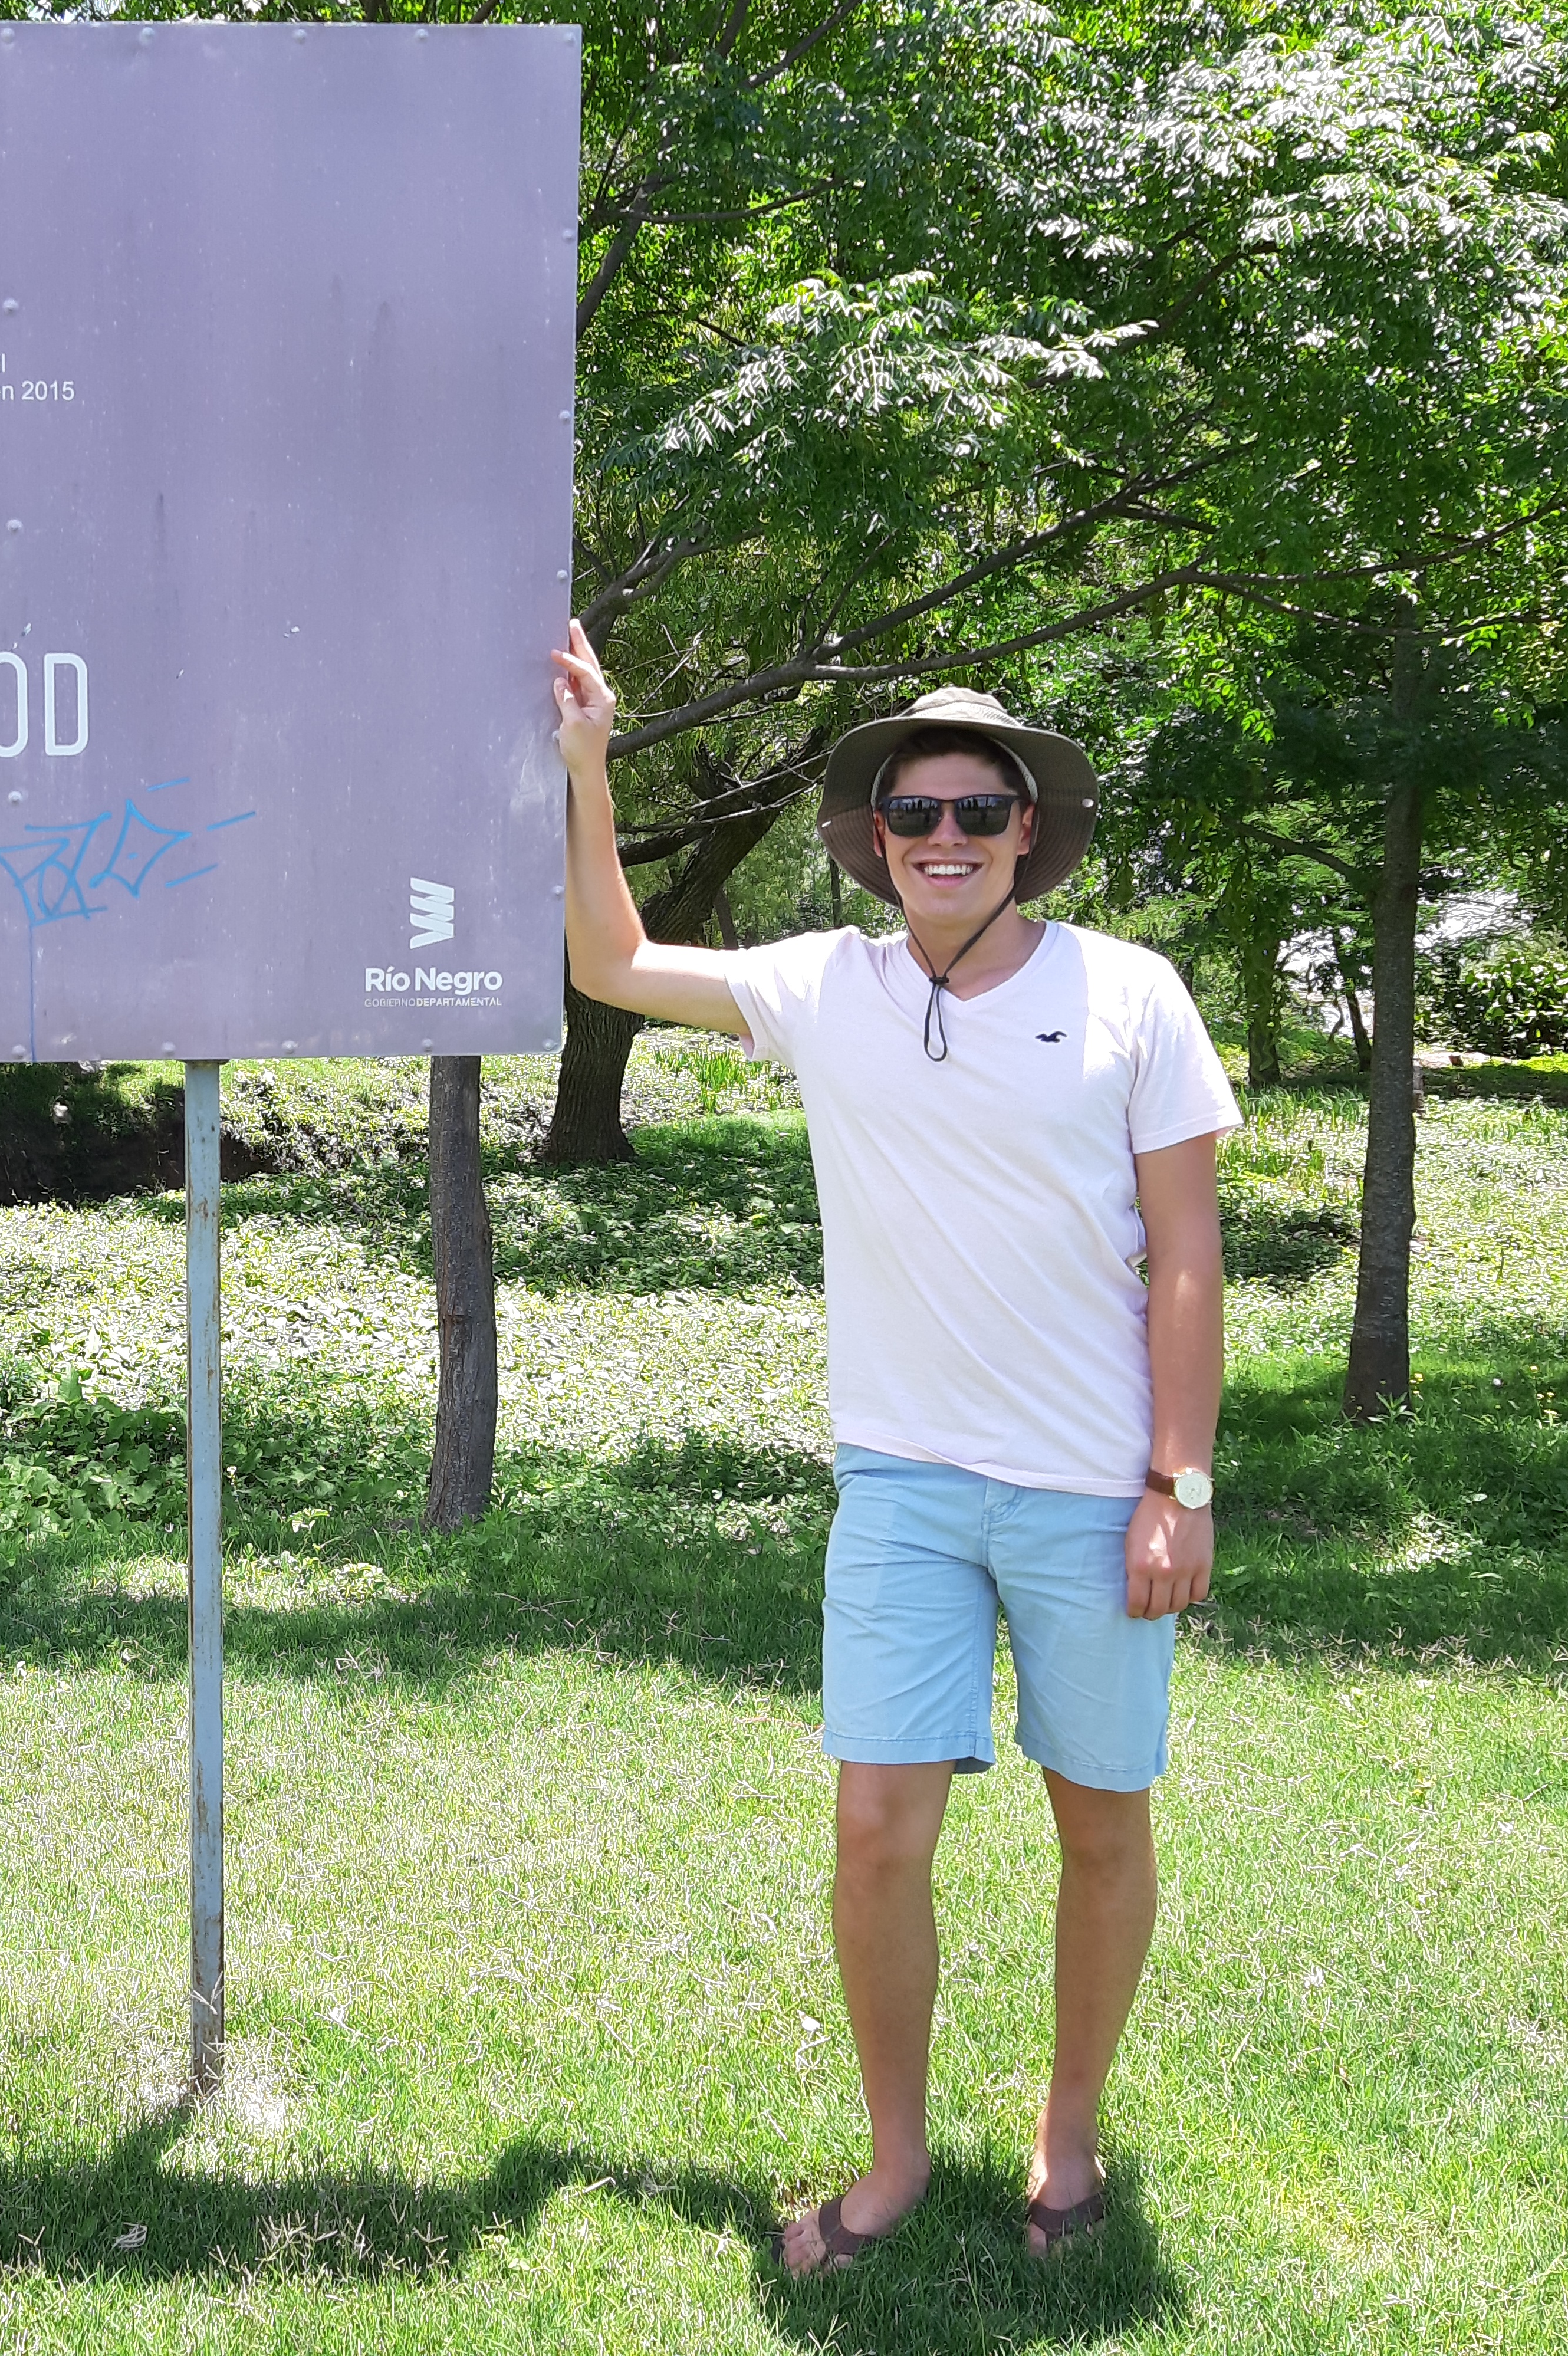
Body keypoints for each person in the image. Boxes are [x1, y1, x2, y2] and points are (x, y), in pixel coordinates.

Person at [543, 625, 1237, 2272]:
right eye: (912, 813)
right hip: (904, 1489)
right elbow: (611, 964)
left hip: (1089, 1491)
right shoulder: (825, 988)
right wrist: (590, 770)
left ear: (1026, 834)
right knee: (875, 1831)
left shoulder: (1129, 994)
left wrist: (1179, 1481)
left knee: (1102, 1825)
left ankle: (1067, 2147)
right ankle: (897, 2158)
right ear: (871, 839)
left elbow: (1191, 1257)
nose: (943, 838)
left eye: (977, 814)